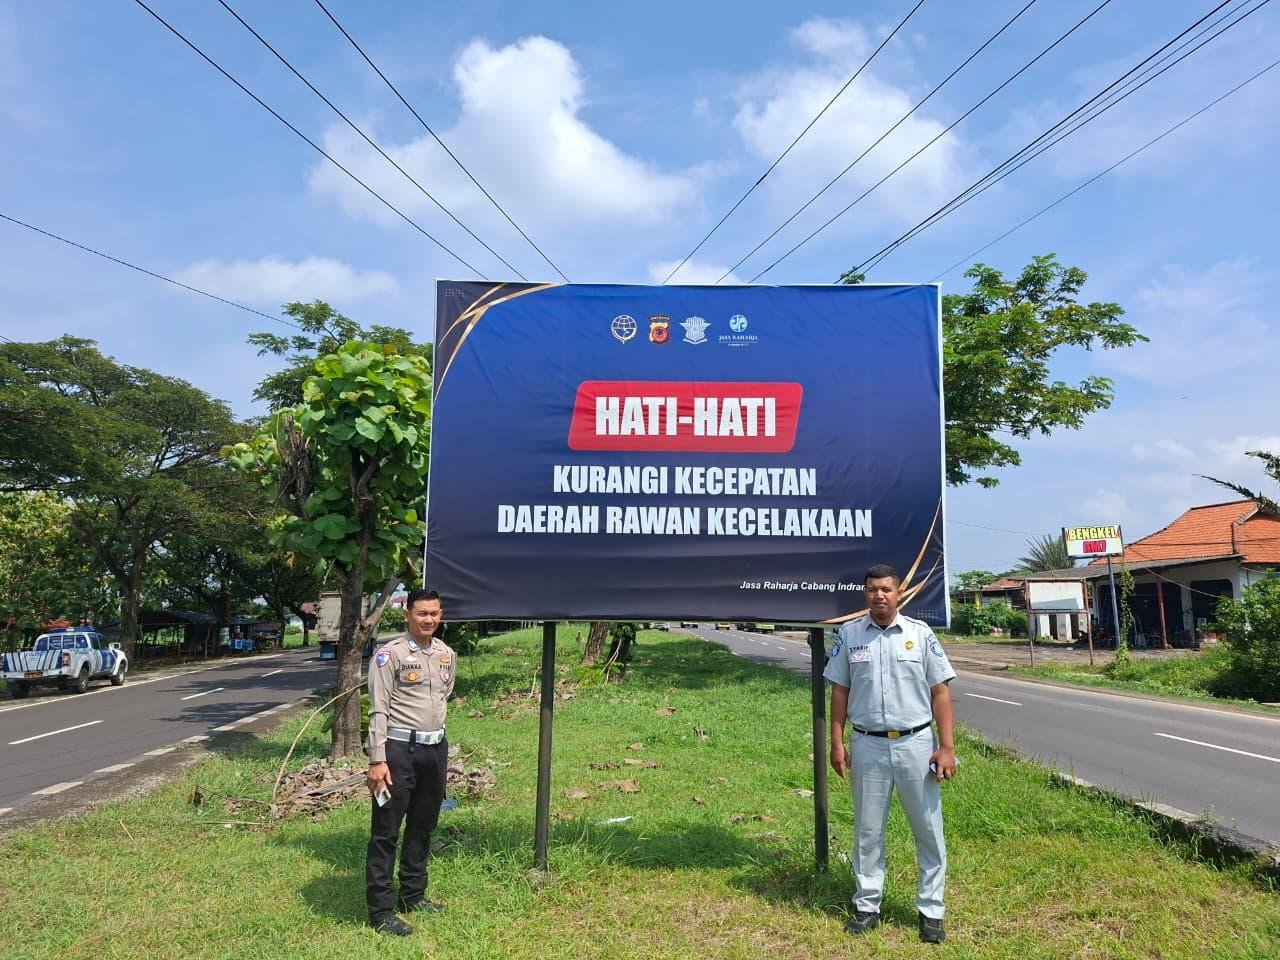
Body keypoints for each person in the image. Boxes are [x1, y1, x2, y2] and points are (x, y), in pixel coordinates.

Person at [824, 563, 957, 944]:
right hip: (867, 744)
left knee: (928, 830)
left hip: (916, 744)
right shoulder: (849, 635)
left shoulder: (921, 634)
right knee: (867, 831)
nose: (878, 595)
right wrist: (837, 742)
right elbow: (839, 692)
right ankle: (867, 905)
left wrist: (946, 747)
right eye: (871, 589)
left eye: (885, 589)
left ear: (899, 593)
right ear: (864, 594)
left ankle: (931, 910)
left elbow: (941, 692)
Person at [365, 588, 456, 936]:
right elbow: (379, 709)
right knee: (386, 832)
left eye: (434, 613)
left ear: (440, 615)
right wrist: (377, 759)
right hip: (398, 753)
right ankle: (381, 910)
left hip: (434, 751)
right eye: (422, 613)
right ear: (408, 615)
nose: (428, 619)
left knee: (423, 825)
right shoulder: (390, 655)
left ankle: (413, 895)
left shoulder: (447, 654)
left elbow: (443, 696)